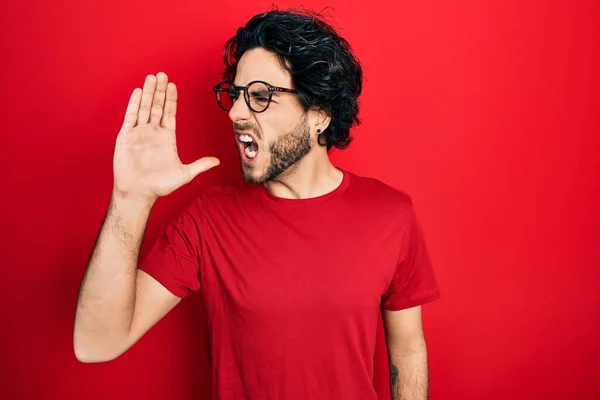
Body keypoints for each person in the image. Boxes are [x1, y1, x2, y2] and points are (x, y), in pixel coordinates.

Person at [73, 8, 441, 400]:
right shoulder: (207, 219)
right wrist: (132, 197)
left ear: (318, 114)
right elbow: (96, 343)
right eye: (235, 94)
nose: (235, 113)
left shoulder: (391, 214)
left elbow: (407, 347)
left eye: (261, 96)